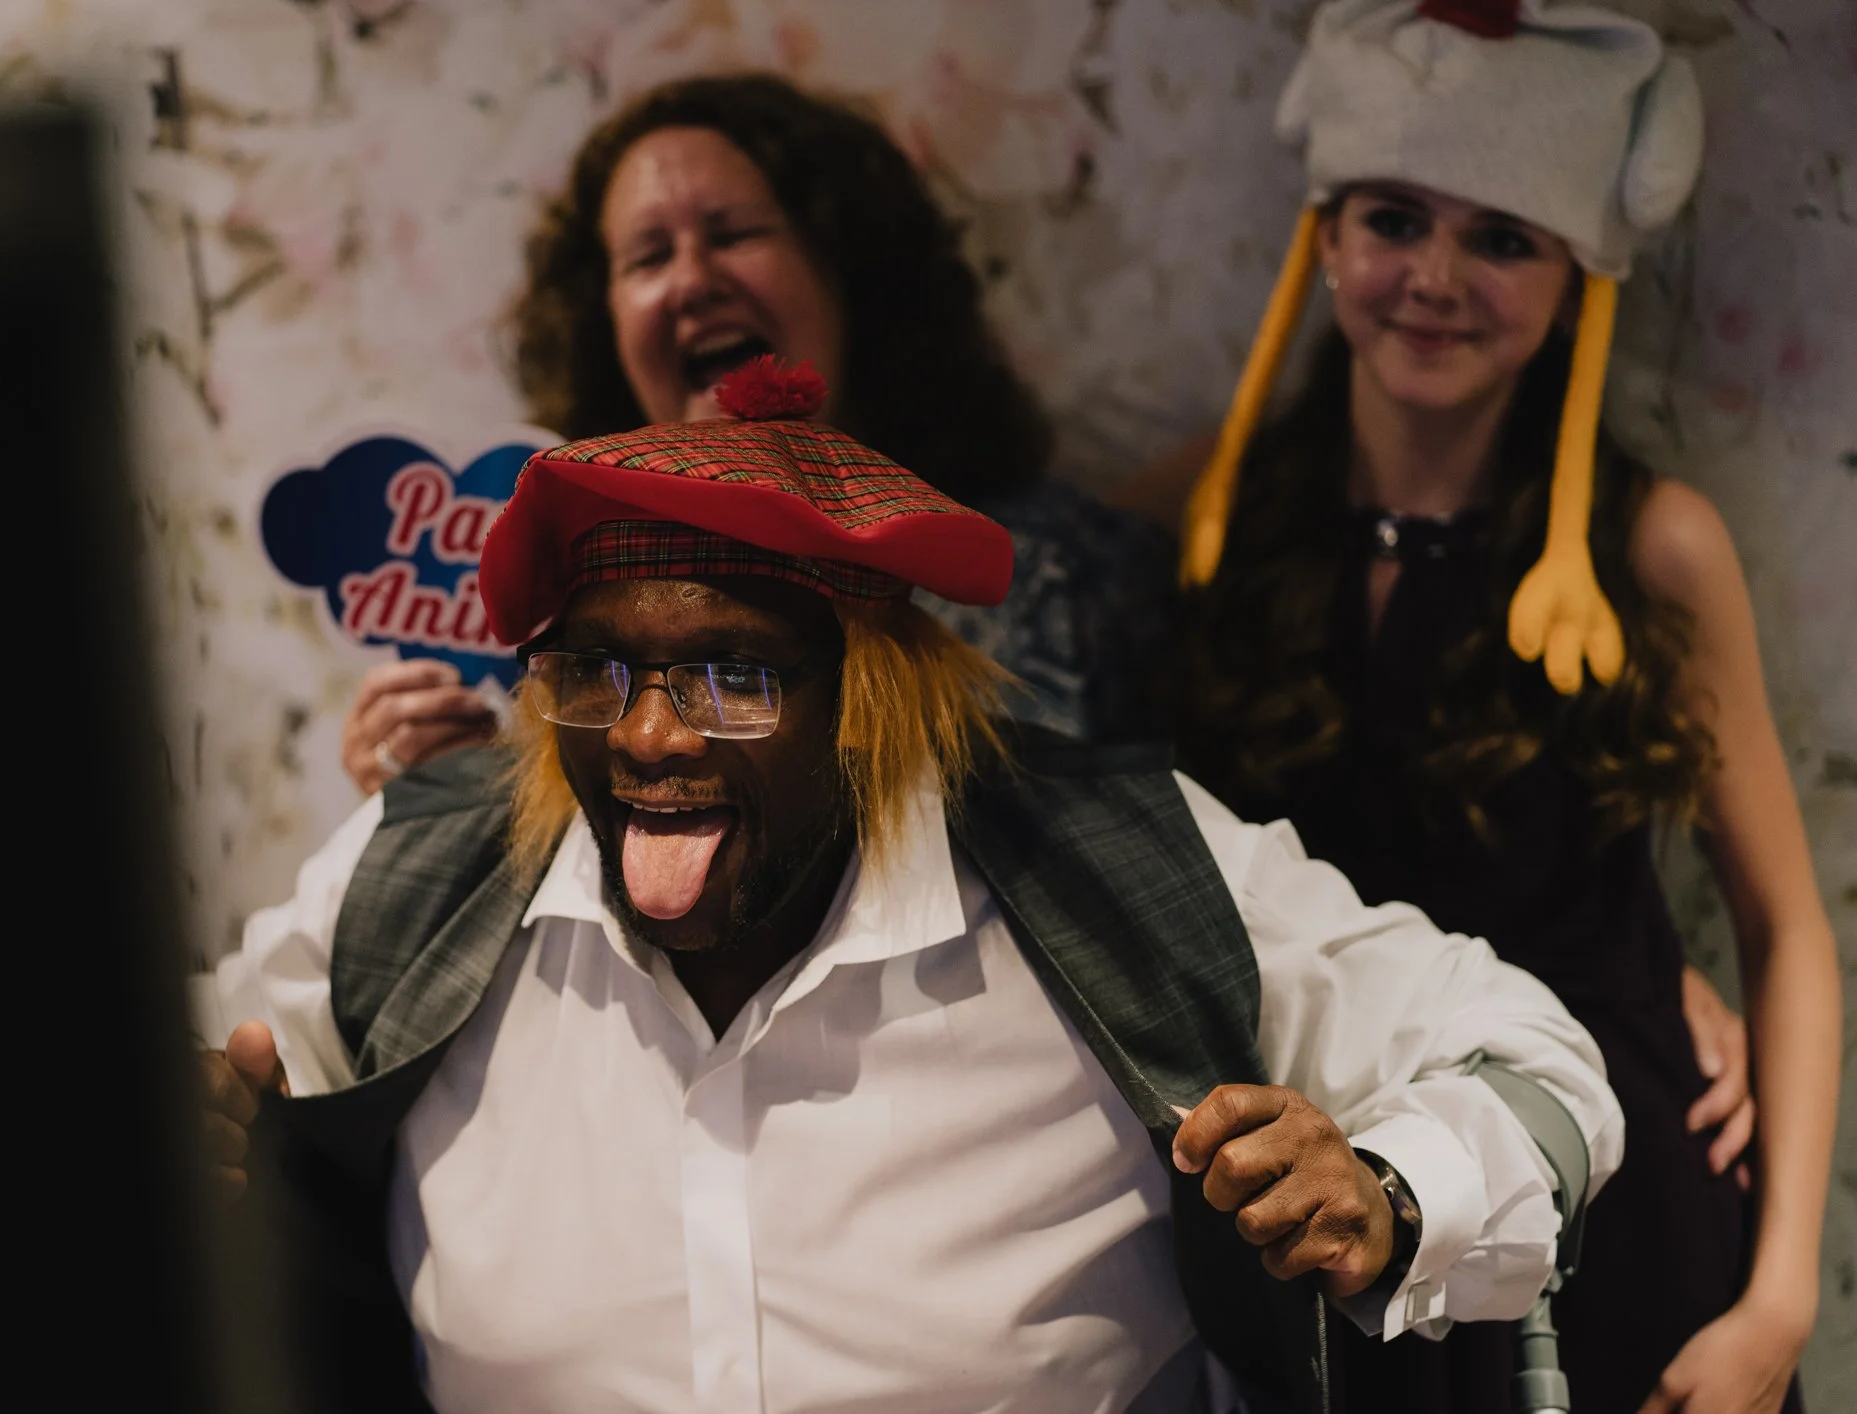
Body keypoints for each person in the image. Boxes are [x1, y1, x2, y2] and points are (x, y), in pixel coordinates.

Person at [205, 361, 1620, 1413]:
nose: (646, 737)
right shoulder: (431, 869)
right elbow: (159, 1082)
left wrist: (1386, 1192)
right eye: (597, 672)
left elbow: (1535, 1065)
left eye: (733, 677)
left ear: (866, 696)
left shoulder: (1110, 865)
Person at [1154, 3, 1840, 1410]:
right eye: (1394, 218)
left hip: (1615, 1210)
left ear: (1579, 269)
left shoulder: (1654, 548)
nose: (1435, 277)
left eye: (1503, 236)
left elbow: (1786, 931)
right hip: (1323, 1204)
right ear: (1326, 233)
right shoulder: (1220, 518)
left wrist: (1776, 1305)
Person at [342, 72, 1172, 795]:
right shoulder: (557, 637)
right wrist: (451, 795)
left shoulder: (1053, 574)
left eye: (734, 233)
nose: (693, 281)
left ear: (848, 271)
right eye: (647, 256)